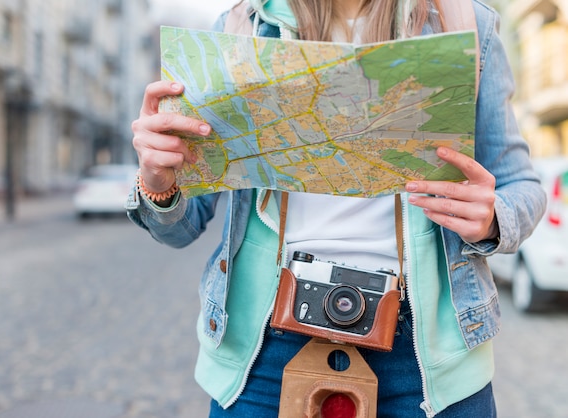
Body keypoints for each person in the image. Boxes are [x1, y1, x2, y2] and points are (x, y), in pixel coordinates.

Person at [126, 0, 546, 416]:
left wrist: (492, 217)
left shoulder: (468, 23)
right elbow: (179, 229)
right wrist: (158, 184)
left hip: (426, 360)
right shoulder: (238, 28)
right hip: (262, 352)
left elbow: (521, 187)